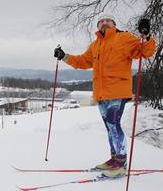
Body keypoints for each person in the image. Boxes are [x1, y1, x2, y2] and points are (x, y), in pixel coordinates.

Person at [54, 14, 155, 178]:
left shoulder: (124, 37)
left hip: (117, 90)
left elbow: (145, 51)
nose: (104, 23)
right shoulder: (96, 44)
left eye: (108, 21)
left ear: (114, 24)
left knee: (113, 124)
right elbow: (82, 61)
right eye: (101, 21)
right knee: (110, 127)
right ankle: (114, 159)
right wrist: (64, 56)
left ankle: (121, 164)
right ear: (98, 26)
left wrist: (147, 36)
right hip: (101, 93)